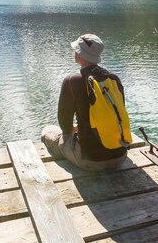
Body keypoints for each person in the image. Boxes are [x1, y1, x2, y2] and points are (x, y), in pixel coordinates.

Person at [41, 33, 129, 171]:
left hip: (91, 161)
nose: (74, 51)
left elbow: (65, 126)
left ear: (80, 55)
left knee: (48, 131)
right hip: (120, 157)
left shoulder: (71, 81)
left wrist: (74, 128)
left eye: (76, 49)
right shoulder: (114, 79)